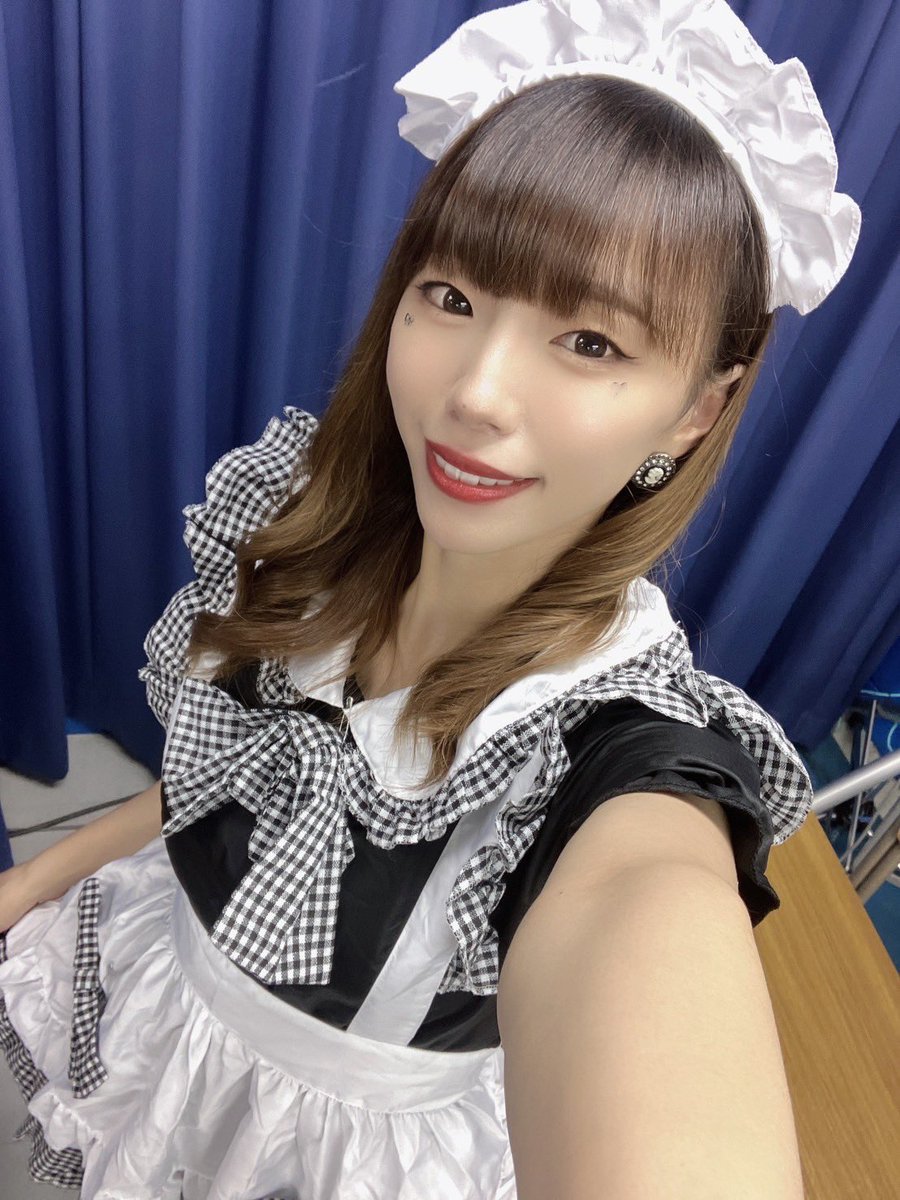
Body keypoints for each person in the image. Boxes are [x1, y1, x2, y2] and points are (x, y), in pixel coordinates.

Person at [0, 1, 859, 1197]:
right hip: (163, 1027)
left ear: (697, 410)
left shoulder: (619, 777)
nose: (476, 394)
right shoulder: (311, 529)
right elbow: (224, 792)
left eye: (592, 343)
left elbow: (649, 940)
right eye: (452, 296)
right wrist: (32, 884)